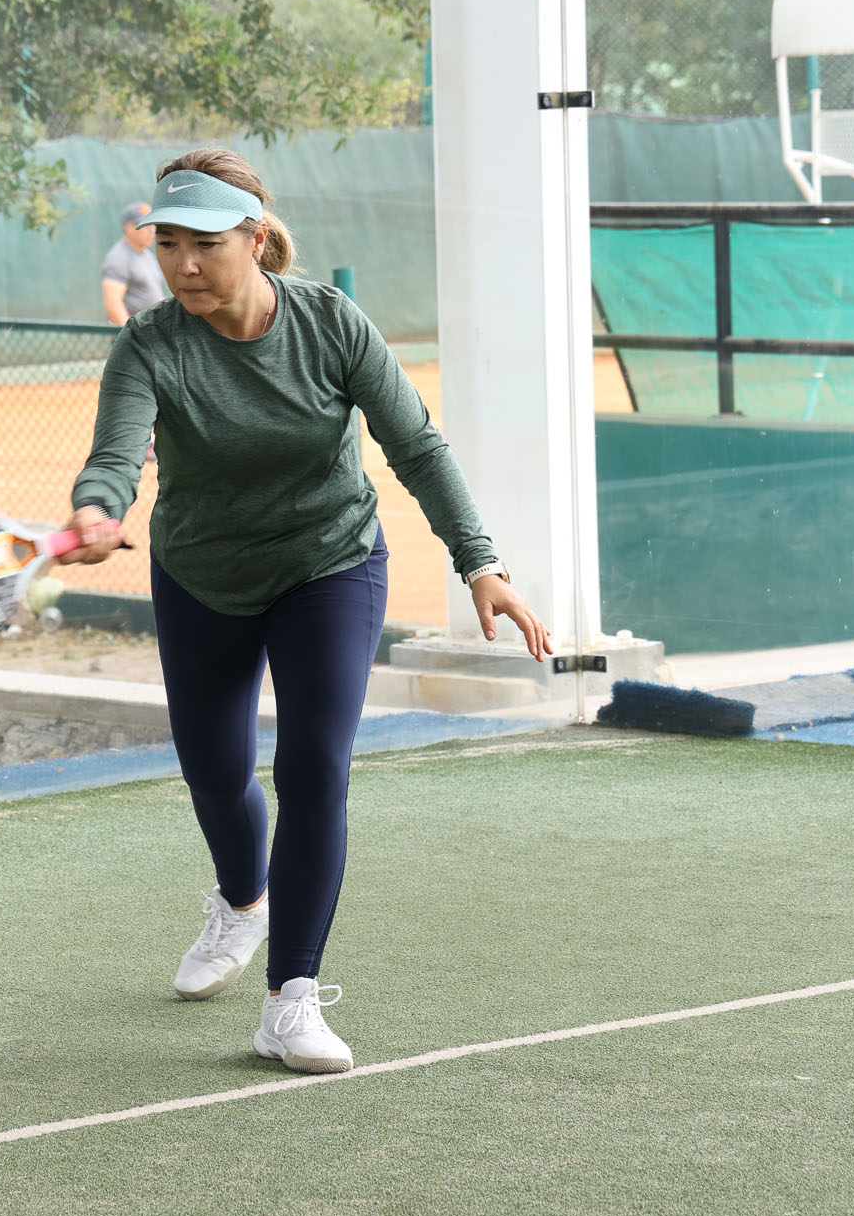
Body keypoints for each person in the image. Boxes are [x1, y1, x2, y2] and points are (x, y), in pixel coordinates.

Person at [63, 148, 550, 1075]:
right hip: (202, 571)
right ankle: (241, 902)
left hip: (329, 562)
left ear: (255, 240)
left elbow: (416, 446)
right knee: (214, 772)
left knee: (313, 767)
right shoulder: (150, 344)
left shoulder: (329, 323)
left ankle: (290, 1000)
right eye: (168, 245)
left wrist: (479, 563)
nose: (183, 265)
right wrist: (98, 509)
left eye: (205, 244)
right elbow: (116, 453)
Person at [101, 202, 166, 326]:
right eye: (145, 225)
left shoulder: (147, 254)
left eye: (152, 225)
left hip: (152, 332)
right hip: (136, 334)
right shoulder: (118, 257)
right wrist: (130, 334)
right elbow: (113, 304)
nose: (151, 230)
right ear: (128, 228)